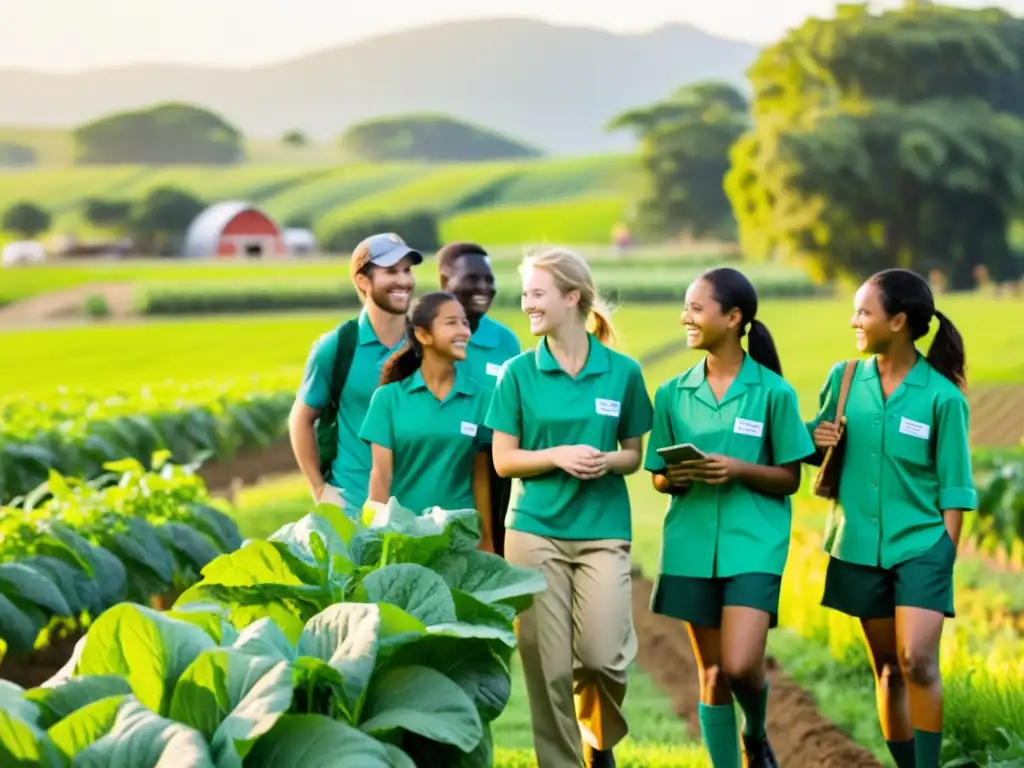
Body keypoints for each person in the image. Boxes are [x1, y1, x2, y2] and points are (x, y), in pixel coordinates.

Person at [485, 246, 653, 768]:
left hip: (603, 528)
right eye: (526, 294)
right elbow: (503, 461)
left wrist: (607, 461)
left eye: (537, 294)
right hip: (534, 529)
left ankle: (597, 741)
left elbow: (633, 455)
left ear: (572, 297)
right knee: (548, 668)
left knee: (603, 659)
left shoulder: (621, 372)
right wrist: (557, 455)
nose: (526, 304)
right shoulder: (517, 373)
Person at [644, 267, 814, 768]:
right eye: (686, 307)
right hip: (691, 544)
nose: (685, 317)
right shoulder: (672, 393)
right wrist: (677, 476)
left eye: (697, 308)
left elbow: (789, 478)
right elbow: (657, 473)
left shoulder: (773, 393)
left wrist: (737, 469)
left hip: (753, 543)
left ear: (734, 317)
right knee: (713, 673)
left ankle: (755, 734)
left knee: (742, 666)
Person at [805, 268, 975, 768]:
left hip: (922, 546)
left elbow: (956, 487)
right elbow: (816, 449)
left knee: (917, 661)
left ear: (898, 321)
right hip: (857, 544)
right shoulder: (844, 380)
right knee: (887, 670)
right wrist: (816, 442)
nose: (853, 320)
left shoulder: (941, 397)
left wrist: (944, 553)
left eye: (864, 311)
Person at [288, 232, 422, 514]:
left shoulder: (427, 343)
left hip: (417, 509)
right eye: (391, 271)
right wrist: (319, 489)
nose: (404, 280)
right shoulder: (338, 346)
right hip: (354, 508)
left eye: (407, 270)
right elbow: (302, 418)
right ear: (363, 280)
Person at [358, 291, 494, 543]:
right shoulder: (388, 399)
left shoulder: (483, 400)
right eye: (452, 322)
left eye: (465, 323)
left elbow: (481, 477)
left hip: (460, 538)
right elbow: (380, 476)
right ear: (423, 335)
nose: (464, 331)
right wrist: (373, 538)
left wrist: (486, 541)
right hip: (403, 537)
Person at [438, 241, 521, 556]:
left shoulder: (505, 341)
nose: (484, 287)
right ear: (446, 283)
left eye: (489, 280)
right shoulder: (421, 335)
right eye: (473, 279)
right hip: (441, 465)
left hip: (494, 473)